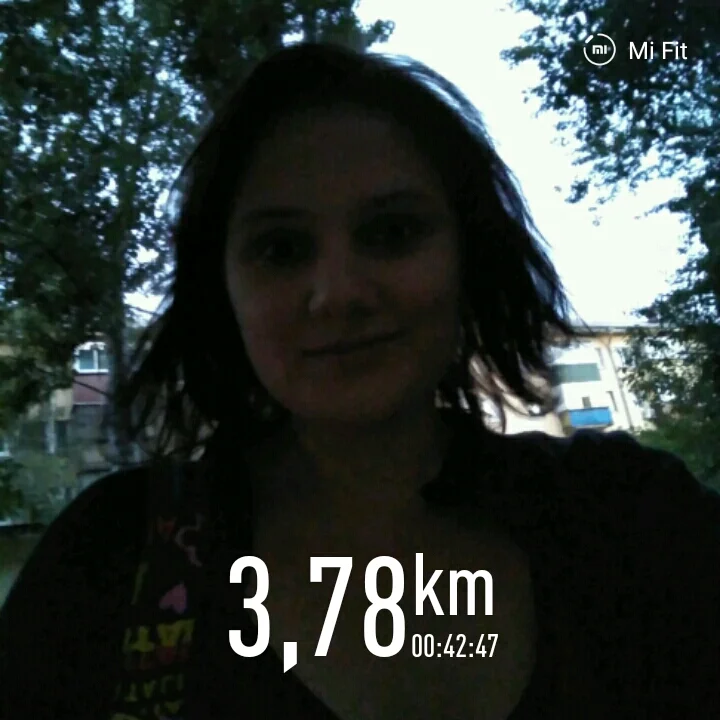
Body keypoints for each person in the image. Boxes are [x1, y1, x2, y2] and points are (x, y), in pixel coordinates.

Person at [1, 41, 718, 720]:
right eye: (282, 249)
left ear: (469, 256)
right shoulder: (109, 560)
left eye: (393, 233)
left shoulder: (634, 521)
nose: (338, 293)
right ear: (221, 293)